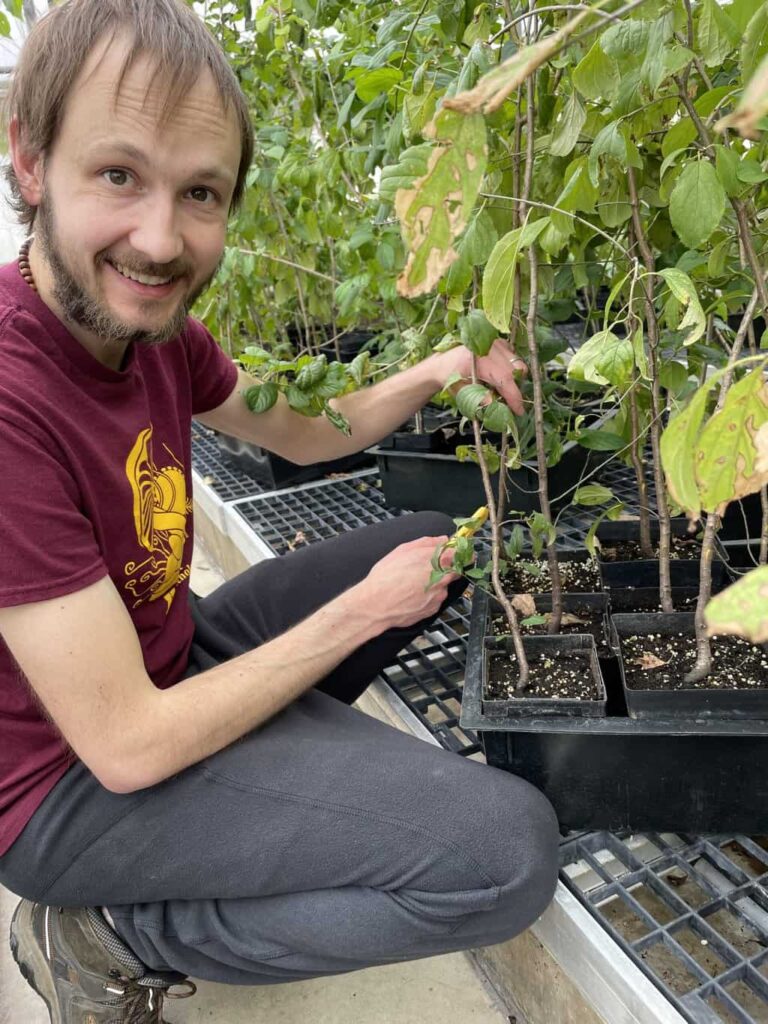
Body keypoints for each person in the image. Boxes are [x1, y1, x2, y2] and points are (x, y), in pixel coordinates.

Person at [0, 1, 559, 1020]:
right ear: (31, 162)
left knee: (438, 546)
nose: (160, 239)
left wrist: (440, 367)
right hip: (69, 785)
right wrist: (356, 615)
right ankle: (103, 927)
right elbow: (126, 744)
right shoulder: (7, 401)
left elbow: (306, 430)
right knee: (502, 856)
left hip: (170, 655)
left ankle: (262, 780)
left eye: (199, 192)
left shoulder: (154, 333)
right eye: (118, 174)